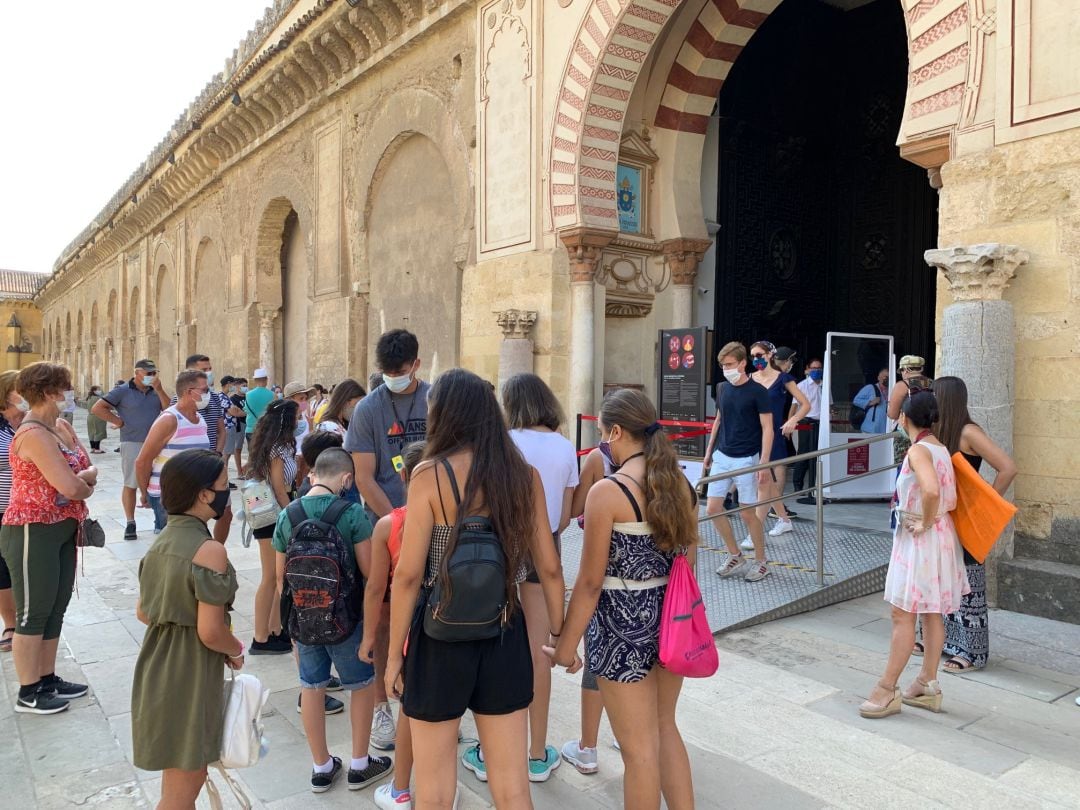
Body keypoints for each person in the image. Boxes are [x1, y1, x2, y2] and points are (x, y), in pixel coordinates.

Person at [386, 368, 571, 809]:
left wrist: (395, 654)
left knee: (432, 789)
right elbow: (548, 567)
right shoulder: (523, 476)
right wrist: (559, 634)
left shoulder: (429, 475)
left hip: (438, 635)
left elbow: (409, 575)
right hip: (503, 631)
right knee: (511, 786)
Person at [548, 389, 697, 810]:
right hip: (671, 624)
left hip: (621, 633)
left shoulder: (610, 493)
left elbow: (591, 583)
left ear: (616, 431)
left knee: (638, 752)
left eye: (604, 436)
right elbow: (688, 568)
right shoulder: (681, 485)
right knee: (664, 728)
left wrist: (564, 646)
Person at [274, 447, 393, 793]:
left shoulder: (288, 515)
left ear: (312, 475)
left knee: (311, 687)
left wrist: (297, 619)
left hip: (305, 619)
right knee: (362, 686)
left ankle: (321, 767)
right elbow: (371, 576)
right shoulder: (352, 514)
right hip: (347, 621)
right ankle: (359, 764)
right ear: (346, 479)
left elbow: (282, 578)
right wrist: (369, 630)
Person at [131, 449, 244, 807]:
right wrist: (235, 649)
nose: (228, 492)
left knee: (178, 770)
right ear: (204, 494)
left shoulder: (160, 543)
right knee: (189, 775)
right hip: (189, 671)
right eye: (224, 485)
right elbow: (210, 631)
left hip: (157, 665)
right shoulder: (208, 550)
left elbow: (144, 612)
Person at [859, 391, 969, 719]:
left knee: (903, 614)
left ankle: (886, 687)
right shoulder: (939, 448)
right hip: (941, 536)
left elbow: (931, 490)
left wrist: (924, 518)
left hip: (920, 537)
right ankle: (926, 682)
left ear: (903, 418)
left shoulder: (919, 450)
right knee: (931, 612)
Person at [346, 329, 430, 751]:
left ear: (416, 364)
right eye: (387, 372)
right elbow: (363, 476)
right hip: (385, 525)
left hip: (434, 525)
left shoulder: (435, 400)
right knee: (380, 617)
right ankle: (381, 705)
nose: (395, 377)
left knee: (430, 614)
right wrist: (398, 522)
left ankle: (430, 699)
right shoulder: (368, 410)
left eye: (401, 371)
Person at [0, 362, 96, 714]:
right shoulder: (33, 435)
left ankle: (47, 676)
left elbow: (86, 468)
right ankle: (29, 691)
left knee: (56, 607)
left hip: (63, 525)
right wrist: (81, 481)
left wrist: (80, 480)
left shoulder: (59, 427)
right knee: (33, 612)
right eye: (65, 386)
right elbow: (73, 484)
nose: (70, 392)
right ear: (47, 392)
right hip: (32, 529)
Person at [496, 372, 578, 781]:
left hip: (496, 548)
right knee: (538, 652)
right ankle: (535, 751)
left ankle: (490, 747)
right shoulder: (565, 447)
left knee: (492, 643)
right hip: (544, 547)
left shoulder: (504, 442)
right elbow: (562, 518)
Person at [931, 376, 1017, 672]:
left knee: (969, 582)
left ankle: (971, 651)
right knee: (940, 577)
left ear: (944, 398)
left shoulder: (968, 431)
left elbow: (1007, 468)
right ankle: (937, 639)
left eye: (934, 393)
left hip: (964, 517)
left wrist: (986, 502)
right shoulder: (937, 430)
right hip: (942, 515)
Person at [360, 441, 425, 809]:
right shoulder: (450, 517)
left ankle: (401, 789)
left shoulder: (388, 524)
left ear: (402, 475)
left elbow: (375, 589)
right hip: (442, 624)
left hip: (405, 629)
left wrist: (370, 635)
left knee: (411, 713)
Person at [561, 444, 617, 774]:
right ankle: (630, 732)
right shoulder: (667, 470)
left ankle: (588, 747)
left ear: (615, 430)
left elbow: (574, 507)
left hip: (609, 580)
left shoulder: (600, 460)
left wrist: (565, 645)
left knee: (596, 662)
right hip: (653, 593)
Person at [705, 342, 773, 582]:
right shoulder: (723, 388)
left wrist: (763, 463)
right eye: (723, 365)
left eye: (730, 364)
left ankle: (761, 561)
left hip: (746, 457)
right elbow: (719, 419)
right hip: (722, 455)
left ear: (743, 363)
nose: (726, 369)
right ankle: (735, 554)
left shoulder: (758, 391)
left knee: (747, 513)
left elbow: (768, 428)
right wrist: (709, 451)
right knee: (713, 508)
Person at [93, 359, 169, 540]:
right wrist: (118, 422)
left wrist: (159, 389)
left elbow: (168, 409)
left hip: (156, 442)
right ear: (137, 373)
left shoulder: (155, 391)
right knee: (131, 482)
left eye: (153, 373)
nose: (151, 376)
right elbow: (98, 408)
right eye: (147, 373)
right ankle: (130, 522)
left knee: (159, 481)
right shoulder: (123, 390)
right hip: (132, 441)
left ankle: (160, 521)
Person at [245, 399, 299, 655]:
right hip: (273, 516)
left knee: (280, 575)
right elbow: (279, 488)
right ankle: (260, 637)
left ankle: (275, 630)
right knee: (269, 577)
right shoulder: (277, 450)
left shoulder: (277, 446)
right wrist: (294, 514)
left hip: (276, 513)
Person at [742, 342, 809, 543]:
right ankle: (784, 519)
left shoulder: (783, 379)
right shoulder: (749, 378)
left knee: (764, 480)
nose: (756, 359)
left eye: (760, 354)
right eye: (753, 356)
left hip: (773, 433)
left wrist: (793, 420)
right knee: (766, 481)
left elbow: (805, 404)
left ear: (771, 354)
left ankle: (754, 533)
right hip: (752, 434)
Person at [135, 371, 211, 535]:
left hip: (195, 494)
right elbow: (143, 461)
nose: (208, 394)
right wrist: (144, 493)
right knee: (175, 547)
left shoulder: (199, 419)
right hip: (169, 496)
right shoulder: (169, 420)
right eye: (205, 390)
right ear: (189, 392)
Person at [0, 370, 28, 653]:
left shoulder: (28, 424)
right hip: (2, 507)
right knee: (3, 569)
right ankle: (11, 623)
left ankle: (27, 620)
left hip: (24, 508)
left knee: (22, 567)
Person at [792, 358, 823, 504]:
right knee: (803, 454)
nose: (817, 371)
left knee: (817, 455)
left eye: (819, 368)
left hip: (820, 424)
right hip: (805, 423)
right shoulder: (801, 386)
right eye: (814, 368)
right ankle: (798, 485)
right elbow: (793, 407)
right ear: (808, 369)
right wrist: (790, 423)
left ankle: (813, 486)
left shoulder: (825, 385)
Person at [243, 367, 275, 449]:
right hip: (267, 429)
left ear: (255, 380)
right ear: (266, 380)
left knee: (252, 456)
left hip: (251, 429)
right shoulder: (273, 395)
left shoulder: (248, 394)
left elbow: (246, 410)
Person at [853, 367, 890, 434]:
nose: (887, 379)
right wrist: (870, 403)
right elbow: (856, 400)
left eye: (888, 377)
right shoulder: (870, 387)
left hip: (885, 428)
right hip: (870, 428)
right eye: (885, 377)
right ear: (879, 378)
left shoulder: (891, 390)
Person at [225, 376, 248, 478]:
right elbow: (236, 412)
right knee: (237, 448)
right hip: (239, 425)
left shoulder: (249, 396)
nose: (245, 387)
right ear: (237, 386)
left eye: (246, 385)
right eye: (243, 386)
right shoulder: (233, 399)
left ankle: (247, 469)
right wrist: (245, 413)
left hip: (250, 424)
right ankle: (240, 472)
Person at [84, 385, 108, 453]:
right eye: (98, 389)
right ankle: (97, 449)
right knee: (99, 432)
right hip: (98, 416)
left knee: (91, 433)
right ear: (94, 391)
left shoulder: (89, 397)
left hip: (90, 416)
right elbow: (106, 404)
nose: (100, 390)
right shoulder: (98, 399)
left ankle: (92, 448)